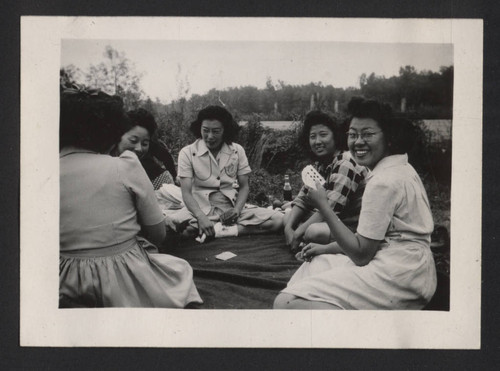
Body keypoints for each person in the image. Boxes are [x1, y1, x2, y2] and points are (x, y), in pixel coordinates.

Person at [274, 97, 437, 310]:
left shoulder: (383, 182)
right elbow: (371, 240)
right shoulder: (398, 166)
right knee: (317, 263)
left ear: (388, 137)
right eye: (353, 134)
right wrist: (326, 249)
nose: (358, 142)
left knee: (284, 304)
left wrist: (323, 205)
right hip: (408, 266)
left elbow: (361, 255)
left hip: (399, 275)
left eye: (367, 134)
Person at [59, 86, 202, 308]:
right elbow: (157, 234)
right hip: (118, 278)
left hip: (62, 277)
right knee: (178, 270)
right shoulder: (125, 165)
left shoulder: (42, 171)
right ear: (110, 131)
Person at [165, 105, 283, 239]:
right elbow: (186, 192)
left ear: (225, 130)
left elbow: (244, 186)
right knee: (169, 227)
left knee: (279, 220)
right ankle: (211, 227)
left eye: (216, 131)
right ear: (199, 129)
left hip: (230, 209)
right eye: (206, 130)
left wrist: (237, 210)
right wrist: (201, 217)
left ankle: (221, 231)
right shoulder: (187, 153)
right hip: (199, 209)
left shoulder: (237, 150)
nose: (210, 136)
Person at [284, 111, 367, 252]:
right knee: (287, 216)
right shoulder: (321, 164)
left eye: (323, 135)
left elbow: (329, 210)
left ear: (335, 136)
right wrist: (288, 228)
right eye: (312, 136)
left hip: (350, 225)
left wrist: (297, 233)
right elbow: (302, 199)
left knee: (313, 232)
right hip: (330, 218)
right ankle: (301, 237)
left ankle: (307, 240)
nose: (317, 141)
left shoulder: (345, 162)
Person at [112, 108, 177, 190]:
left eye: (145, 143)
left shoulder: (158, 178)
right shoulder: (101, 165)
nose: (139, 148)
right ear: (118, 137)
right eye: (133, 141)